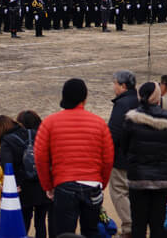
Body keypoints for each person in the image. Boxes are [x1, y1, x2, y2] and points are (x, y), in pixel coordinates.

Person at [34, 78, 114, 238]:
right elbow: (108, 159)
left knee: (64, 233)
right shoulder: (99, 123)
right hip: (92, 184)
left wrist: (48, 186)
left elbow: (40, 158)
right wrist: (101, 182)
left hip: (64, 184)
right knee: (91, 231)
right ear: (85, 98)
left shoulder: (49, 123)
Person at [122, 81, 167, 238]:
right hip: (161, 178)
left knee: (138, 224)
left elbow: (124, 146)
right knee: (157, 224)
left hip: (138, 178)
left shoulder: (131, 120)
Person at [0, 113, 49, 238]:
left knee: (24, 221)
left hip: (23, 187)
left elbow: (7, 165)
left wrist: (11, 184)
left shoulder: (7, 140)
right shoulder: (34, 133)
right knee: (41, 222)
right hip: (42, 183)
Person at [107, 69, 139, 238]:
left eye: (116, 84)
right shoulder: (139, 99)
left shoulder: (122, 104)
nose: (114, 87)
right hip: (138, 155)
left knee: (119, 191)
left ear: (123, 86)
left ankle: (129, 227)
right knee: (132, 191)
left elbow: (114, 132)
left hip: (122, 157)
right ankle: (135, 224)